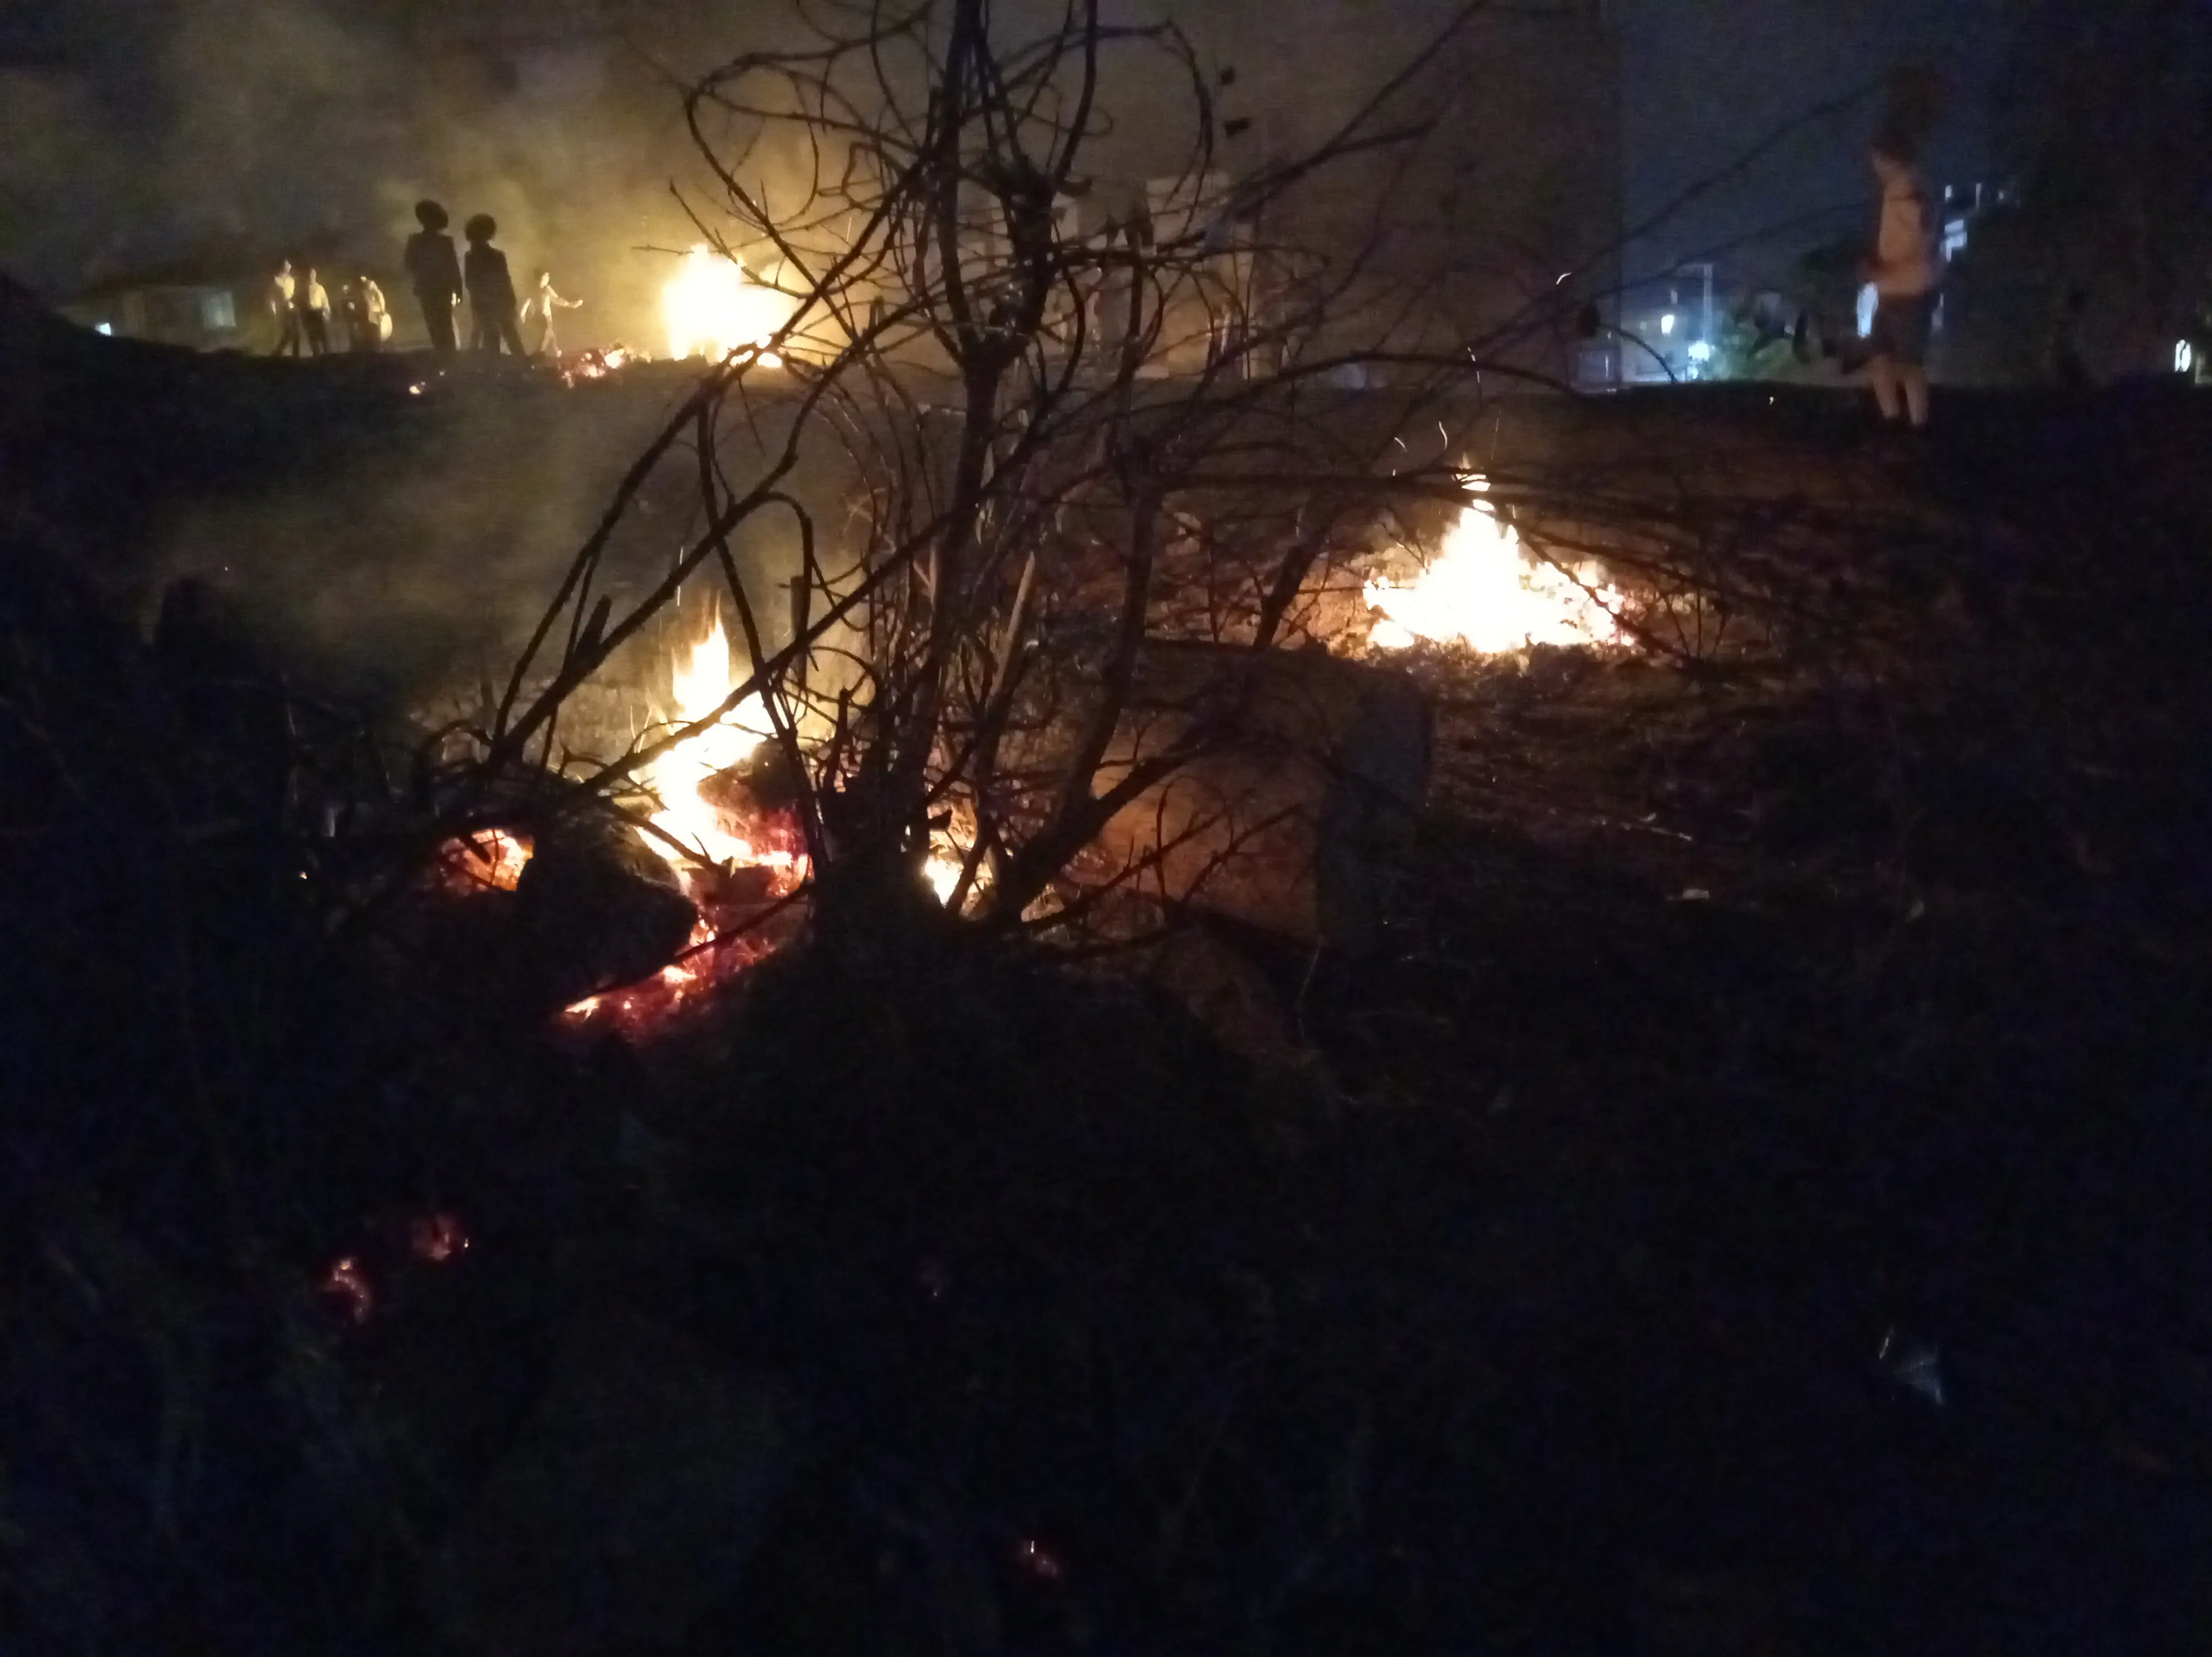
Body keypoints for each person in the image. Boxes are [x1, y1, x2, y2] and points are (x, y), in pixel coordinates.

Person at [1861, 136, 1938, 430]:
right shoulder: (1899, 193)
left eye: (1879, 160)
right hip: (1892, 288)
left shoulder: (1910, 196)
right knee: (1882, 358)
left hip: (1910, 291)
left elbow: (1921, 246)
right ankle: (1894, 421)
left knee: (1908, 364)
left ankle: (1917, 425)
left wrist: (1883, 267)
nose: (1875, 166)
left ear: (1892, 160)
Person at [403, 199, 464, 354]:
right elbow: (453, 268)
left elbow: (409, 265)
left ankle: (444, 355)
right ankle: (450, 356)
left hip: (428, 290)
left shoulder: (415, 240)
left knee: (435, 325)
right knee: (445, 324)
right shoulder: (445, 242)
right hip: (442, 289)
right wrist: (459, 290)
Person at [462, 213, 527, 358]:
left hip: (484, 303)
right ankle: (523, 364)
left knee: (492, 337)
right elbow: (505, 281)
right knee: (509, 334)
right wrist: (510, 301)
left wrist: (478, 302)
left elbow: (470, 283)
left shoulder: (470, 257)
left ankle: (495, 366)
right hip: (499, 301)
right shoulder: (497, 256)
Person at [521, 269, 582, 355]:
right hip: (539, 317)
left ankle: (552, 350)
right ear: (538, 279)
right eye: (544, 278)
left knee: (549, 334)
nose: (547, 280)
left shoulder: (547, 289)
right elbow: (526, 303)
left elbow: (556, 299)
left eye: (547, 278)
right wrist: (522, 315)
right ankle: (545, 351)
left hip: (546, 317)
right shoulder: (533, 290)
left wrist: (570, 304)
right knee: (544, 336)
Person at [297, 267, 333, 356]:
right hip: (309, 314)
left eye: (313, 274)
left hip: (319, 313)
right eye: (310, 274)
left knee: (324, 336)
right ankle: (317, 356)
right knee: (313, 337)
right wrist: (303, 317)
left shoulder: (320, 288)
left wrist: (327, 313)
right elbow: (301, 303)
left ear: (315, 275)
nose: (311, 276)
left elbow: (325, 301)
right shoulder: (304, 289)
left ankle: (328, 356)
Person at [270, 260, 301, 356]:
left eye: (290, 265)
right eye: (287, 265)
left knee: (297, 333)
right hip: (283, 309)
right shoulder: (276, 280)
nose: (289, 267)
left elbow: (294, 294)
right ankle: (277, 352)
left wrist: (294, 302)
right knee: (288, 332)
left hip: (293, 308)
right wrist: (274, 310)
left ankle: (295, 355)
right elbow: (272, 297)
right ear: (283, 266)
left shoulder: (292, 280)